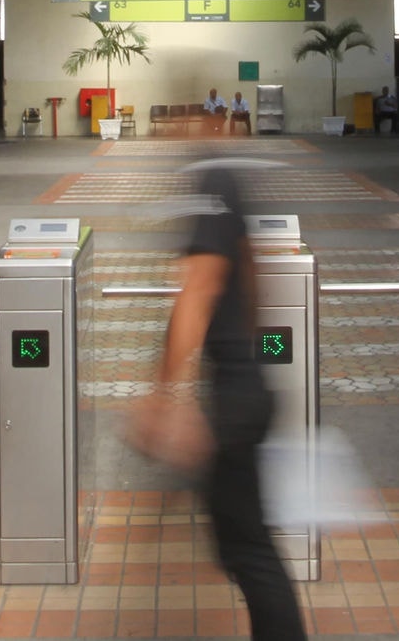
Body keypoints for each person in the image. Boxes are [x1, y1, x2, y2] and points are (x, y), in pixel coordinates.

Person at [131, 167, 306, 641]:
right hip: (242, 391)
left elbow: (200, 287)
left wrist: (169, 396)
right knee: (243, 546)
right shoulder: (226, 184)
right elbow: (250, 278)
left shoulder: (213, 182)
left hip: (232, 401)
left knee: (251, 552)